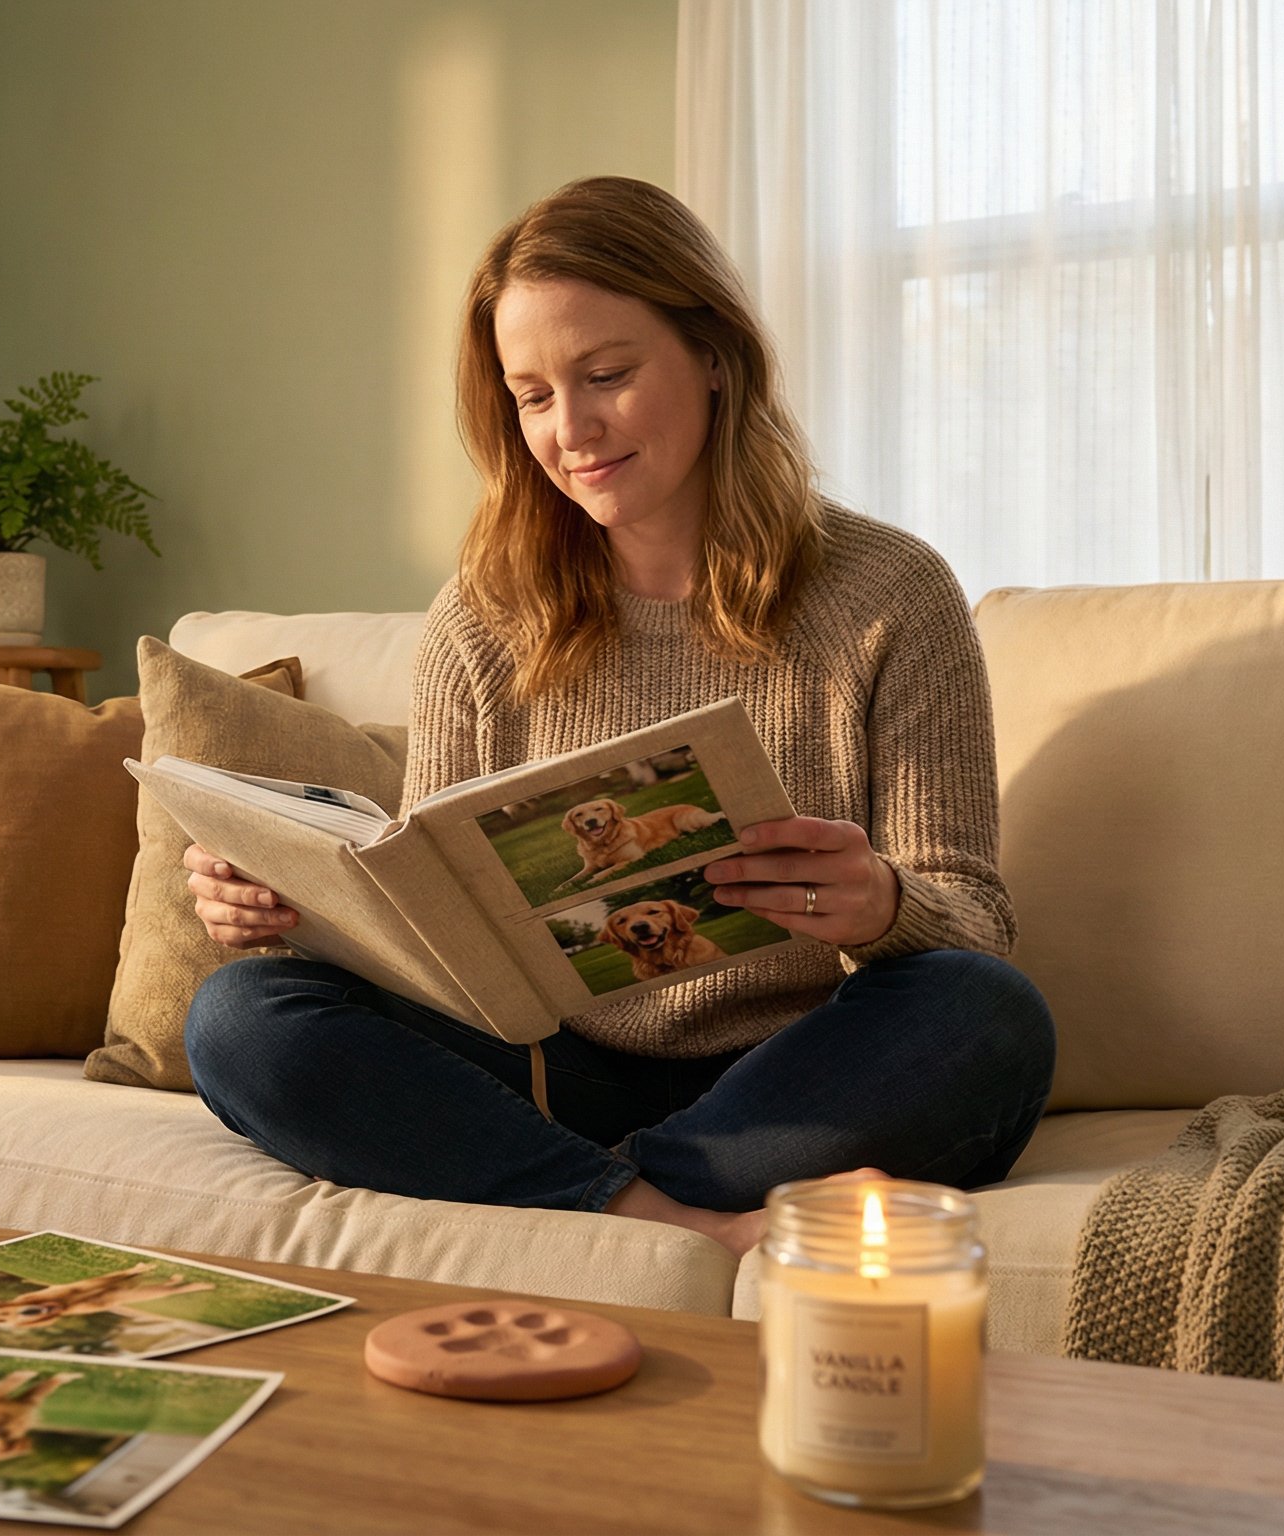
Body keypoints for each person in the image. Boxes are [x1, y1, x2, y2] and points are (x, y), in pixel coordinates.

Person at [177, 176, 1056, 1258]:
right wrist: (298, 907)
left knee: (984, 1013)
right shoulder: (482, 617)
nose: (571, 429)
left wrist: (879, 903)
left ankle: (575, 1196)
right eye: (532, 395)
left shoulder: (889, 594)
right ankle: (667, 1222)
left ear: (716, 358)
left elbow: (973, 921)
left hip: (793, 1068)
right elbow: (447, 934)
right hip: (553, 1065)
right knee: (238, 1018)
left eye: (606, 375)